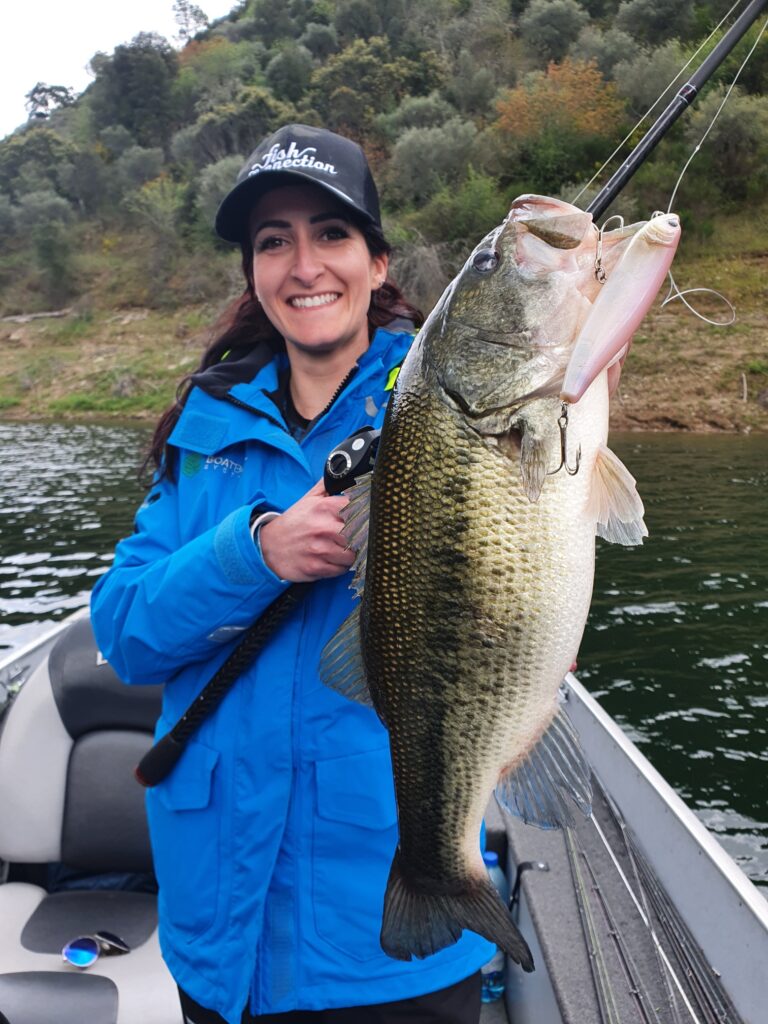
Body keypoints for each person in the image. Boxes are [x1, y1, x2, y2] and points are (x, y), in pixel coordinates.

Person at [90, 124, 494, 1024]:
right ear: (253, 274)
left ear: (378, 262)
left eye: (331, 234)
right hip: (217, 936)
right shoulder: (203, 426)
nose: (304, 264)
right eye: (274, 242)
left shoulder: (456, 407)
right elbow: (124, 631)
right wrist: (253, 552)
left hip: (388, 934)